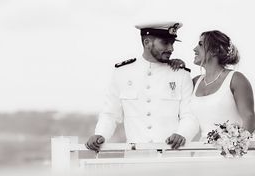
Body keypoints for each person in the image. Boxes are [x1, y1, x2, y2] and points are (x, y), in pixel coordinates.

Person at [86, 21, 199, 151]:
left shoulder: (181, 75)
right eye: (165, 43)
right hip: (135, 158)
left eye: (172, 43)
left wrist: (182, 134)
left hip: (172, 156)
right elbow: (110, 113)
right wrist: (100, 134)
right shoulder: (122, 72)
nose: (171, 48)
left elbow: (190, 115)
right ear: (147, 43)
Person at [191, 30, 255, 138]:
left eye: (201, 44)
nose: (194, 49)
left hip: (231, 152)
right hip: (200, 151)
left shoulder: (235, 79)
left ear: (215, 50)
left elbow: (249, 118)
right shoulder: (194, 82)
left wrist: (235, 147)